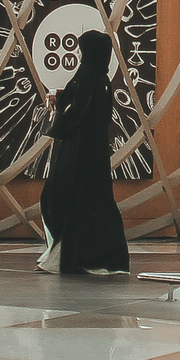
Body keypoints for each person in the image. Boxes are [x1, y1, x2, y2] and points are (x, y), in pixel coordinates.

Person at [37, 31, 129, 276]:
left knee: (62, 198)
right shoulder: (100, 78)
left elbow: (79, 110)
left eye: (81, 48)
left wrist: (59, 126)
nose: (77, 53)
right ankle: (96, 256)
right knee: (91, 203)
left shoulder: (89, 75)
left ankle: (73, 256)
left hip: (79, 154)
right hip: (93, 154)